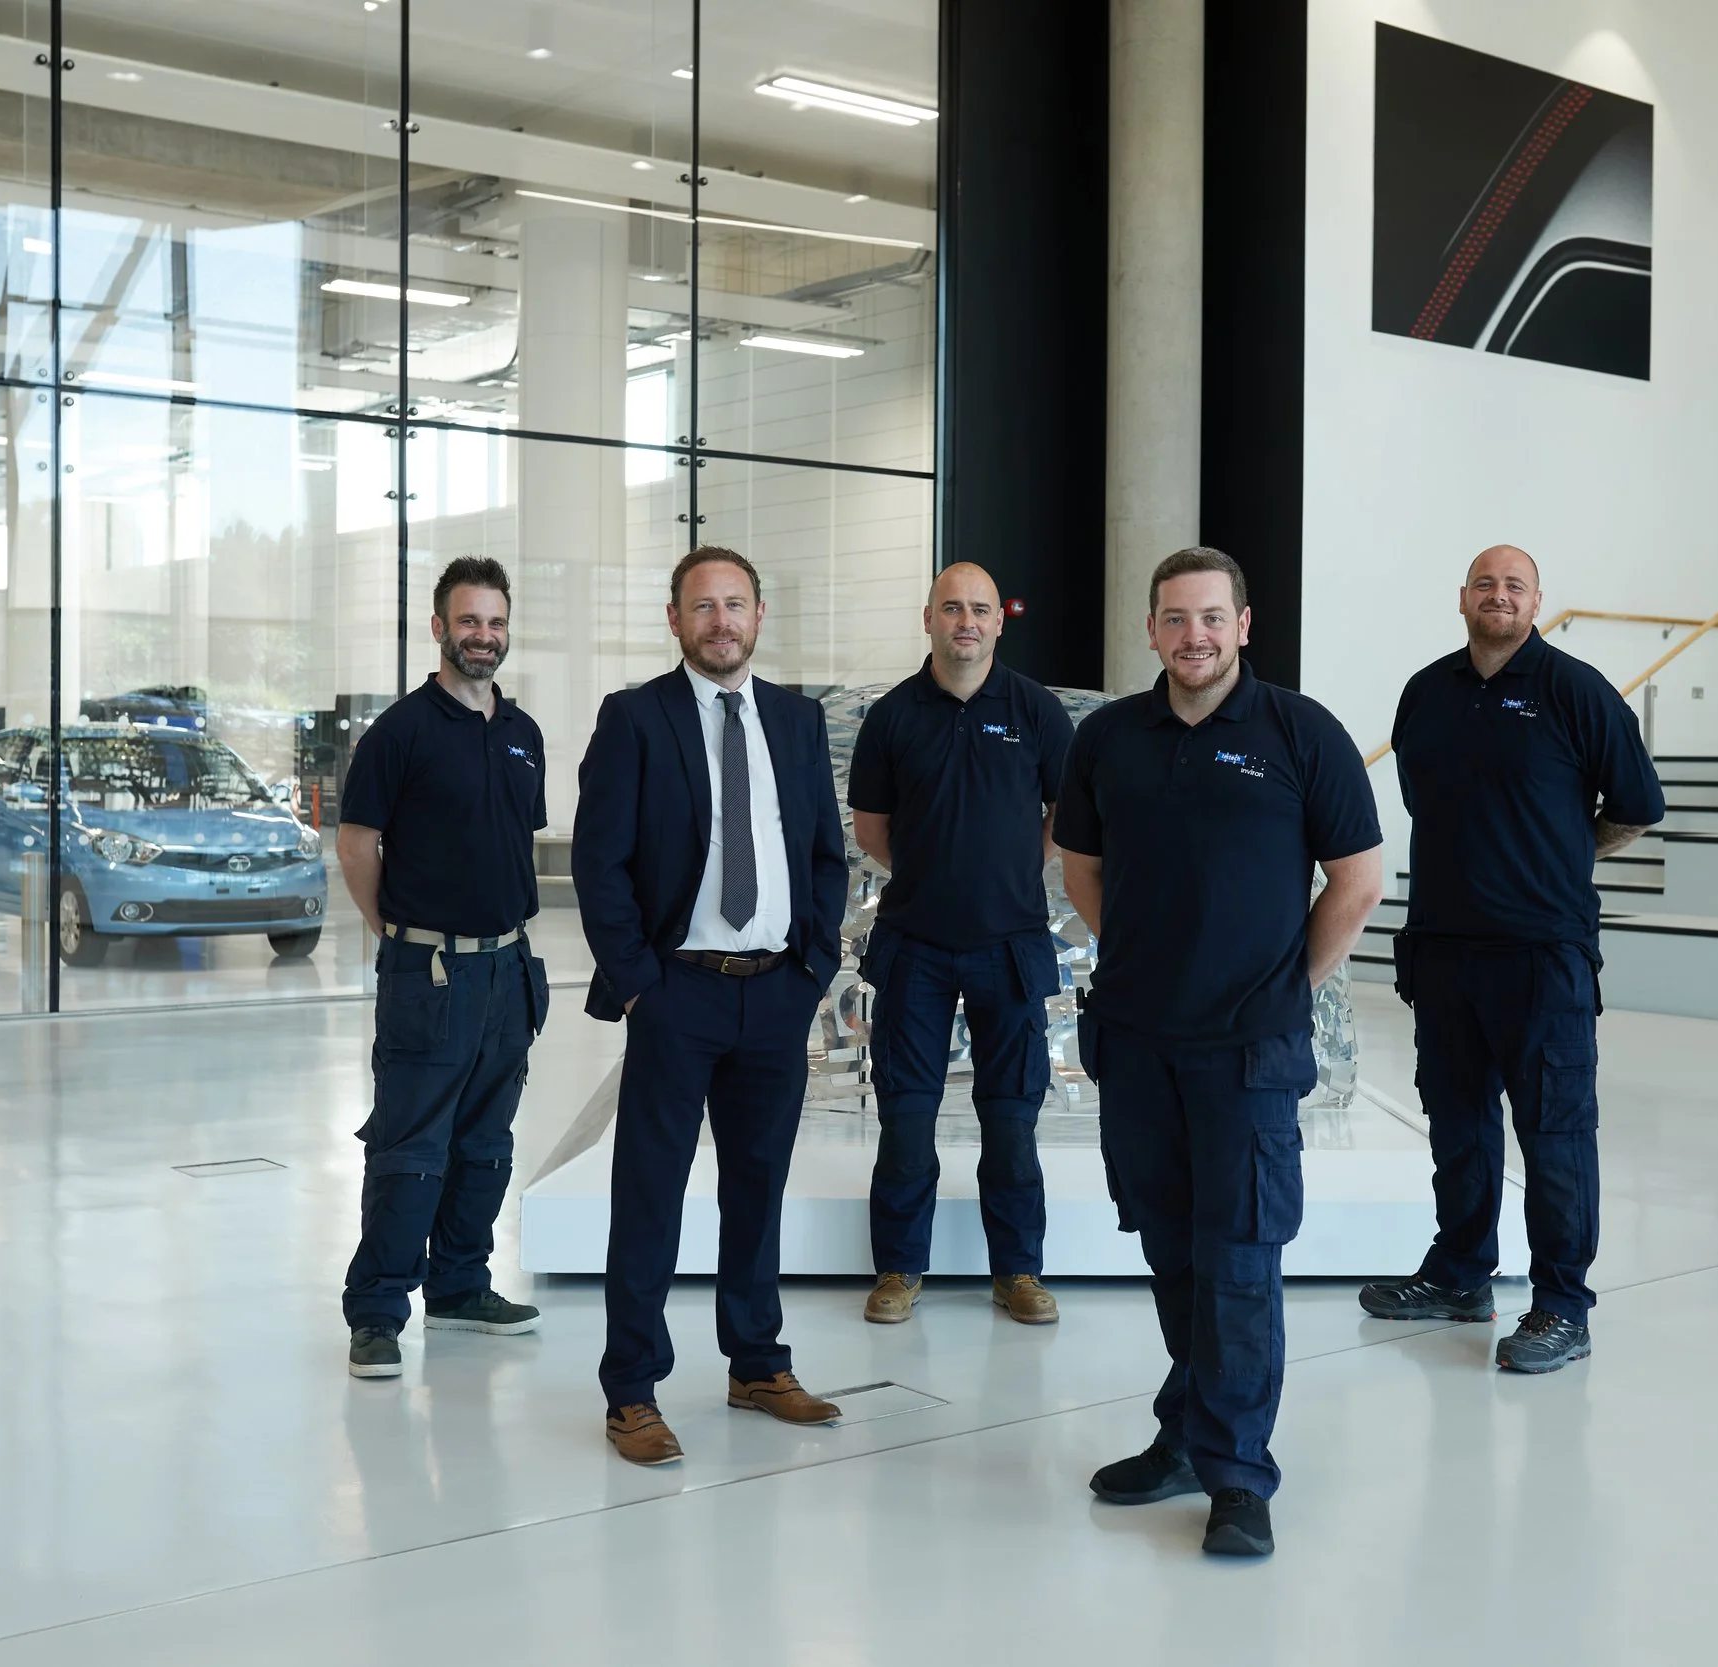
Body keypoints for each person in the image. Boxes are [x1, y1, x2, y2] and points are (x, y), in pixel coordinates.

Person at [1054, 547, 1383, 1559]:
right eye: (1172, 617)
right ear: (1150, 630)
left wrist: (1286, 989)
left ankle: (1238, 1472)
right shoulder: (1110, 735)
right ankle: (1189, 1433)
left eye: (1210, 615)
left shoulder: (1298, 730)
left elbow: (1357, 879)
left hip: (1247, 1051)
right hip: (1138, 1043)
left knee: (1238, 1257)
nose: (1192, 634)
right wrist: (1152, 964)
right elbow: (1081, 871)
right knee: (1168, 1246)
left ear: (1243, 623)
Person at [572, 545, 850, 1466]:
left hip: (777, 991)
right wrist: (642, 981)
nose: (720, 621)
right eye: (703, 606)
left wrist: (812, 965)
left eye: (735, 605)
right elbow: (598, 863)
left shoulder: (796, 720)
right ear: (675, 617)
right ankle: (633, 1391)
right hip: (678, 990)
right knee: (648, 1192)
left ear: (760, 616)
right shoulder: (634, 719)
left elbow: (820, 853)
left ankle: (756, 1361)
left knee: (757, 1185)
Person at [1362, 544, 1664, 1374]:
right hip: (1445, 949)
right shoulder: (1425, 693)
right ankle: (1462, 1273)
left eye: (1515, 585)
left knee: (1555, 1135)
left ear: (1537, 602)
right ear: (1462, 597)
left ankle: (1563, 1304)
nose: (1499, 595)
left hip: (1543, 955)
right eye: (1485, 583)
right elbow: (1425, 802)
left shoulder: (1576, 690)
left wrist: (1564, 856)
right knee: (1458, 1127)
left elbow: (1636, 805)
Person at [335, 556, 553, 1380]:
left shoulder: (523, 733)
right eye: (469, 621)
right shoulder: (400, 733)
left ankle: (461, 1285)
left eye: (495, 622)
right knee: (409, 1147)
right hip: (426, 973)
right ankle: (379, 1312)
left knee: (487, 1143)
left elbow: (514, 841)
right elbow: (358, 846)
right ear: (439, 627)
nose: (483, 636)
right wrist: (392, 926)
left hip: (507, 971)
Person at [848, 562, 1074, 1327]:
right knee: (905, 1116)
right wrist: (935, 872)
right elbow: (872, 830)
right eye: (952, 608)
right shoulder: (892, 718)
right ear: (929, 618)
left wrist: (1008, 870)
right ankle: (899, 1268)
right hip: (913, 944)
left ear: (998, 623)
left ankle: (1016, 1270)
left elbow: (1064, 821)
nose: (966, 621)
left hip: (1009, 944)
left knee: (1010, 1117)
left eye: (979, 609)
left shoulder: (1037, 711)